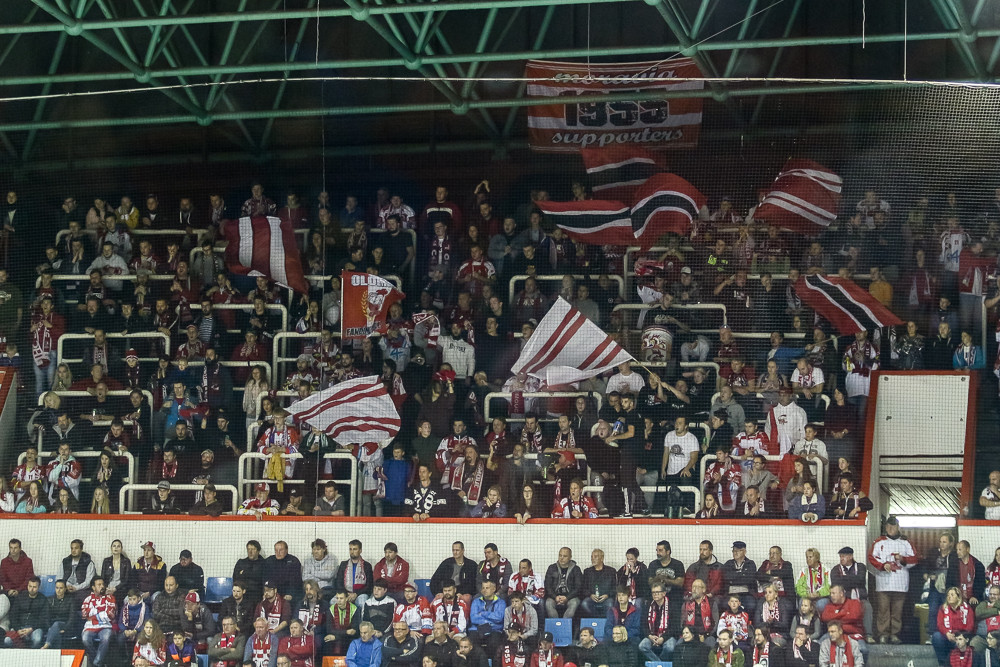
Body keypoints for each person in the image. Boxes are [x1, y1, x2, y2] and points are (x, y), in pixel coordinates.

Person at [866, 515, 918, 644]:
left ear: (898, 527)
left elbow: (915, 559)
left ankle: (895, 634)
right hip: (883, 582)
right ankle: (883, 634)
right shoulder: (879, 542)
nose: (890, 528)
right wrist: (883, 566)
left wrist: (903, 559)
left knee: (897, 611)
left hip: (900, 582)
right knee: (883, 610)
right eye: (888, 526)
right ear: (885, 527)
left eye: (893, 526)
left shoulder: (906, 542)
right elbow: (871, 557)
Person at [934, 586, 976, 665]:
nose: (949, 597)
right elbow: (940, 624)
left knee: (961, 642)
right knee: (936, 636)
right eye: (948, 595)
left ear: (958, 597)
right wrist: (947, 633)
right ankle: (943, 663)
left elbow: (970, 625)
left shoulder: (967, 608)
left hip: (961, 635)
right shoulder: (943, 608)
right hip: (948, 635)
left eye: (952, 595)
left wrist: (959, 636)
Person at [81, 576, 116, 667]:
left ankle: (96, 663)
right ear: (93, 587)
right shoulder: (88, 599)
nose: (102, 586)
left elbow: (110, 615)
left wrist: (93, 612)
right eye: (99, 585)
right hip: (90, 626)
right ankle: (98, 661)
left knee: (106, 638)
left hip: (106, 626)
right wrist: (101, 612)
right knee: (85, 639)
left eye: (103, 584)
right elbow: (84, 614)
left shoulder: (110, 597)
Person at [5, 575, 47, 648]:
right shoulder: (20, 597)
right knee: (7, 640)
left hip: (35, 628)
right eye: (30, 586)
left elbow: (44, 618)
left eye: (34, 587)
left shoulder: (43, 599)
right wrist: (18, 629)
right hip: (19, 627)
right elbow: (13, 615)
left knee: (37, 639)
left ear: (39, 587)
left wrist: (31, 629)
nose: (31, 589)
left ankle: (31, 653)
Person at [468, 580, 505, 657]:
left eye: (487, 588)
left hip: (494, 629)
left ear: (494, 589)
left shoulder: (501, 602)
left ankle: (491, 661)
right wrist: (488, 621)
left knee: (494, 642)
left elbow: (499, 618)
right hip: (477, 628)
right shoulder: (476, 601)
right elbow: (474, 618)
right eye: (483, 588)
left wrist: (483, 613)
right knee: (472, 640)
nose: (484, 590)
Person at [544, 547, 582, 619]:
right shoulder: (552, 568)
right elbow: (547, 585)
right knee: (548, 603)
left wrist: (567, 598)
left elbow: (578, 587)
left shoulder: (576, 569)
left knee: (574, 603)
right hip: (554, 596)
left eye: (565, 556)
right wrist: (555, 597)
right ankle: (556, 623)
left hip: (570, 597)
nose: (561, 558)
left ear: (570, 557)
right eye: (560, 555)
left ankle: (565, 624)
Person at [336, 540, 375, 610]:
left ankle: (361, 618)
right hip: (345, 593)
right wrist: (346, 594)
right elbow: (338, 582)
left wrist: (356, 594)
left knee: (362, 602)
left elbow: (369, 585)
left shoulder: (367, 566)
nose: (352, 552)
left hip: (361, 594)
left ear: (360, 550)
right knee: (333, 601)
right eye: (350, 549)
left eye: (355, 549)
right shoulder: (343, 564)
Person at [325, 590, 362, 655]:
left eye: (341, 598)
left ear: (346, 599)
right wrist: (346, 632)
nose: (339, 601)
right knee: (327, 641)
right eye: (337, 598)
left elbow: (354, 632)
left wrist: (336, 637)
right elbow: (329, 630)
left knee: (352, 641)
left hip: (349, 638)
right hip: (339, 636)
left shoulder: (354, 609)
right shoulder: (331, 610)